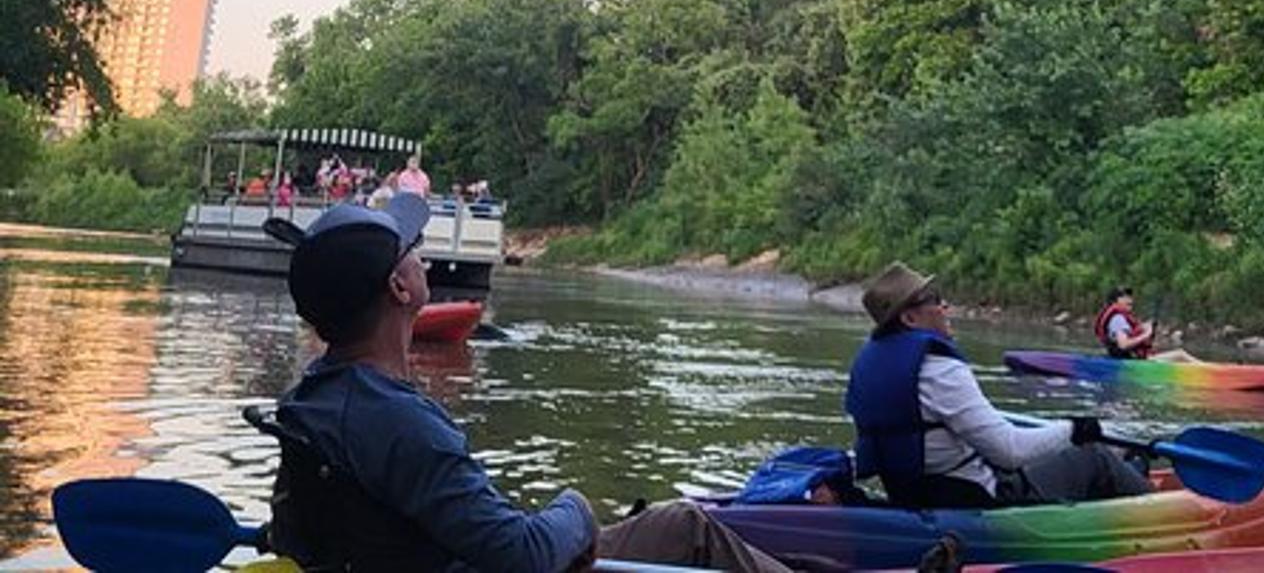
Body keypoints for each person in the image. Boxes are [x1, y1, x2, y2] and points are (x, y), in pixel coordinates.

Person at [257, 193, 795, 573]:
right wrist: (577, 508)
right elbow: (525, 556)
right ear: (400, 286)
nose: (420, 254)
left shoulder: (311, 399)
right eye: (410, 249)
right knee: (685, 527)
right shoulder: (399, 422)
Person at [845, 261, 1151, 509]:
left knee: (1090, 453)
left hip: (913, 495)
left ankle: (1129, 474)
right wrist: (1075, 429)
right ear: (910, 318)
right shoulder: (939, 370)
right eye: (935, 299)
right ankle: (1159, 509)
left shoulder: (870, 363)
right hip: (974, 499)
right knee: (1095, 455)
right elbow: (1009, 451)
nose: (945, 306)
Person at [1093, 287, 1197, 363]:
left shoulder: (1121, 318)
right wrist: (1146, 334)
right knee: (1180, 354)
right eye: (1124, 297)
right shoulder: (1118, 319)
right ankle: (1210, 371)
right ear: (1114, 301)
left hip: (1132, 359)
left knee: (1177, 357)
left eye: (1130, 297)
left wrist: (1144, 330)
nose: (1130, 300)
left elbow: (1130, 339)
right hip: (1131, 362)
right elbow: (1123, 345)